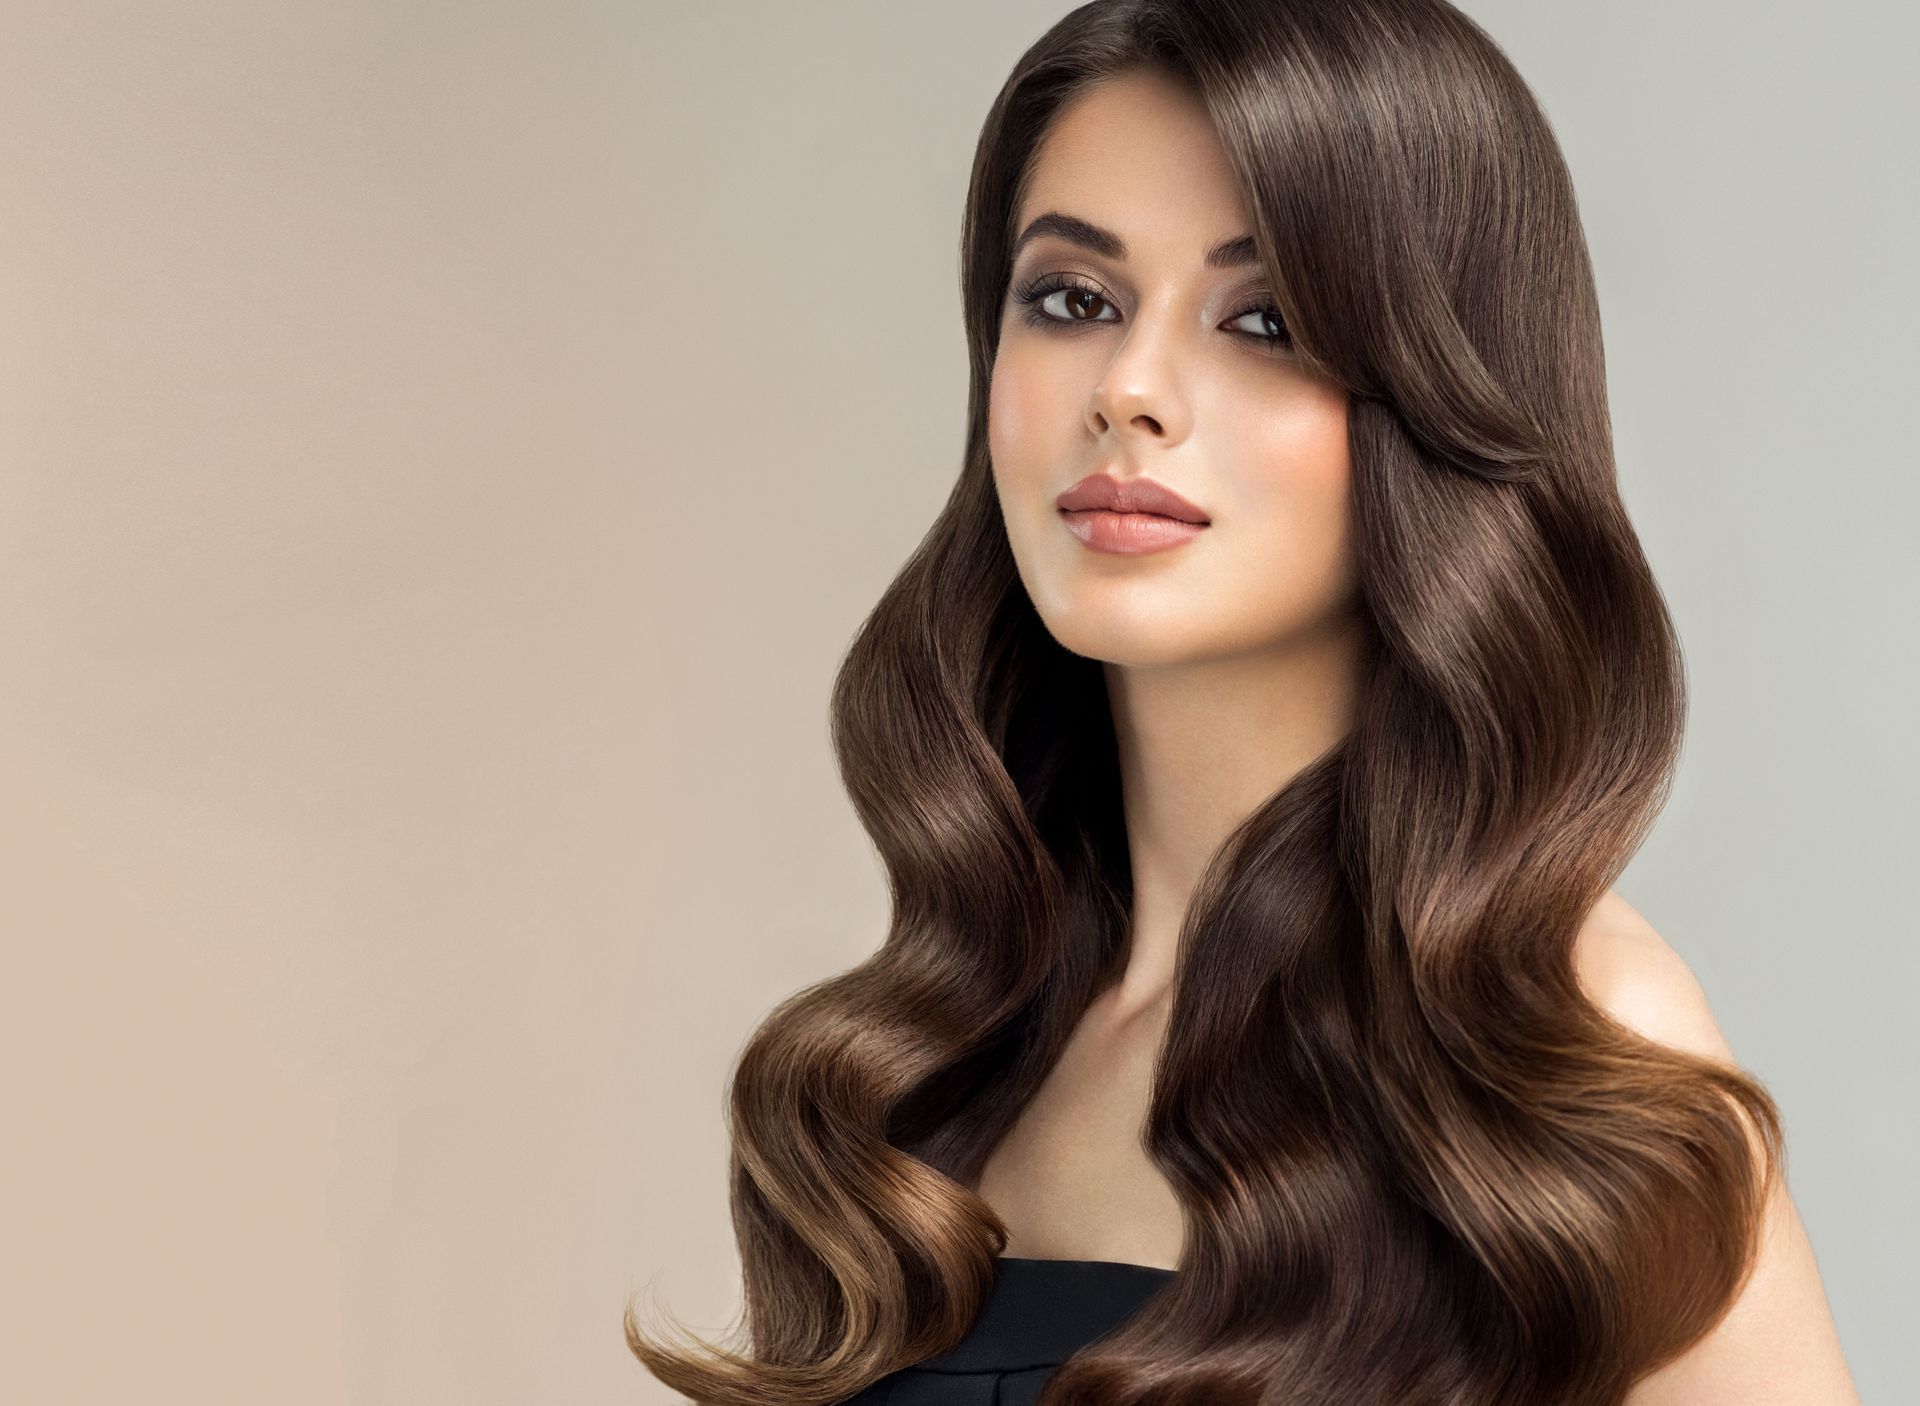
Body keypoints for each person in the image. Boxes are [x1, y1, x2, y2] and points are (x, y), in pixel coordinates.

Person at [628, 2, 1860, 1402]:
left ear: (1440, 399)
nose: (1131, 392)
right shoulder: (930, 1041)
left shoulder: (1557, 1036)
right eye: (1072, 300)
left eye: (1264, 319)